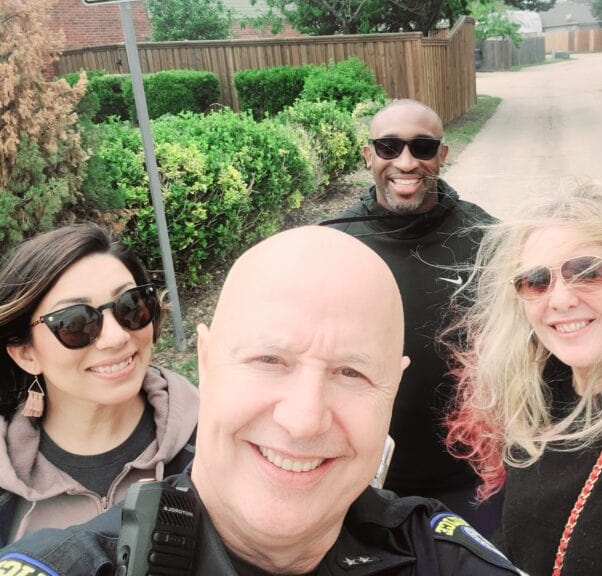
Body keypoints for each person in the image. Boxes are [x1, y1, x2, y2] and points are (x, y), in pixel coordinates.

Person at [0, 226, 524, 575]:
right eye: (269, 360)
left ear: (393, 388)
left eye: (352, 372)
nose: (302, 419)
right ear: (204, 361)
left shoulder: (438, 556)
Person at [446, 178, 602, 575]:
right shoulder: (537, 407)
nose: (561, 299)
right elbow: (523, 543)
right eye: (536, 281)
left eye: (586, 272)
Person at [324, 99, 498, 531]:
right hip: (366, 480)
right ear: (368, 156)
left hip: (474, 481)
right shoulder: (333, 246)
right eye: (388, 147)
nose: (405, 162)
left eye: (422, 147)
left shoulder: (488, 241)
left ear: (442, 154)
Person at [0, 223, 198, 545]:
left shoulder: (212, 441)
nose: (116, 337)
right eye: (75, 323)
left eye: (130, 305)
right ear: (26, 354)